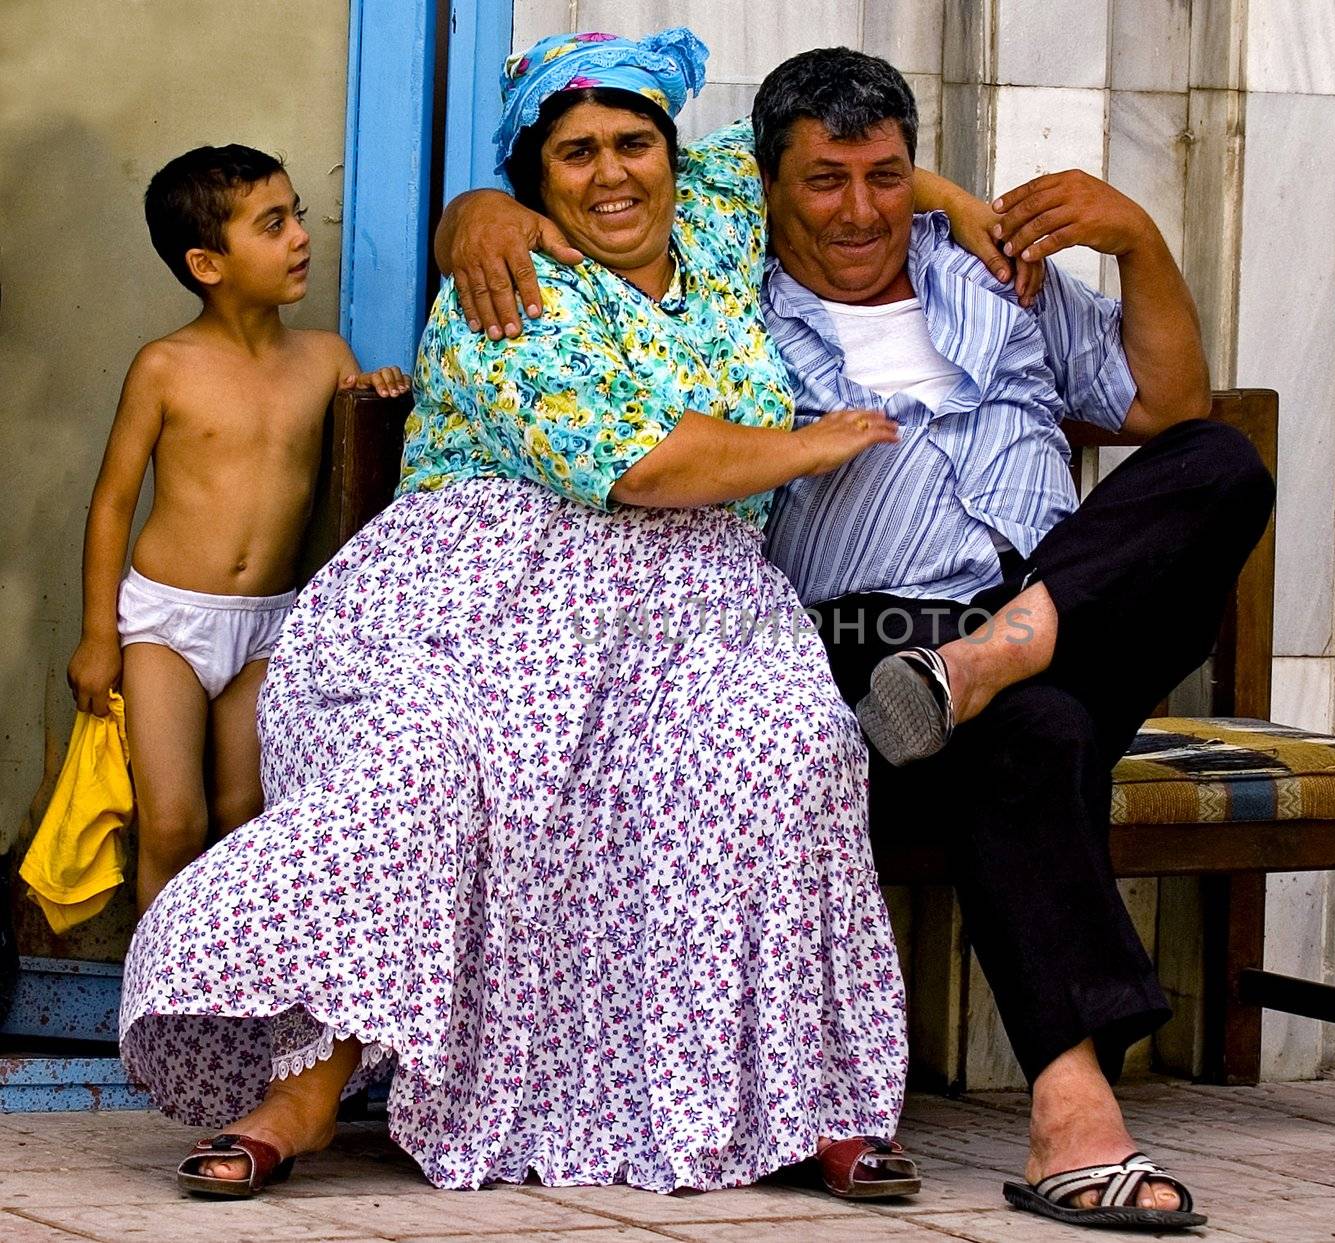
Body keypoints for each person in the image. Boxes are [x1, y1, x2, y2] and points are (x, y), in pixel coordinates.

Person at [444, 45, 1276, 1233]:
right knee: (1029, 734)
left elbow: (1163, 405)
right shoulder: (727, 311)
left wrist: (1137, 238)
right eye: (825, 181)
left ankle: (1002, 652)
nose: (859, 210)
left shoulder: (995, 278)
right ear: (763, 189)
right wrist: (479, 210)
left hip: (1045, 611)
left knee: (1217, 463)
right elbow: (598, 214)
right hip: (862, 650)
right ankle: (1074, 1112)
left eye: (886, 177)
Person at [120, 29, 931, 1201]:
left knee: (788, 748)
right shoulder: (506, 287)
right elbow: (646, 466)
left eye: (633, 143)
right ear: (535, 181)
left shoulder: (715, 211)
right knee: (430, 776)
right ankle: (297, 1098)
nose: (612, 172)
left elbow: (837, 161)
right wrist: (810, 443)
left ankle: (815, 1106)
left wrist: (962, 201)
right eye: (576, 153)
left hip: (698, 611)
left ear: (674, 152)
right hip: (482, 598)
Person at [69, 145, 407, 914]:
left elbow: (358, 454)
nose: (301, 237)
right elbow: (114, 502)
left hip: (269, 627)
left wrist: (378, 390)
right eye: (273, 223)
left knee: (245, 824)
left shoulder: (324, 359)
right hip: (165, 626)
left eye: (296, 215)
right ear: (208, 264)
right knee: (174, 824)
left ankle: (226, 1017)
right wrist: (99, 637)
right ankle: (155, 1018)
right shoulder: (165, 366)